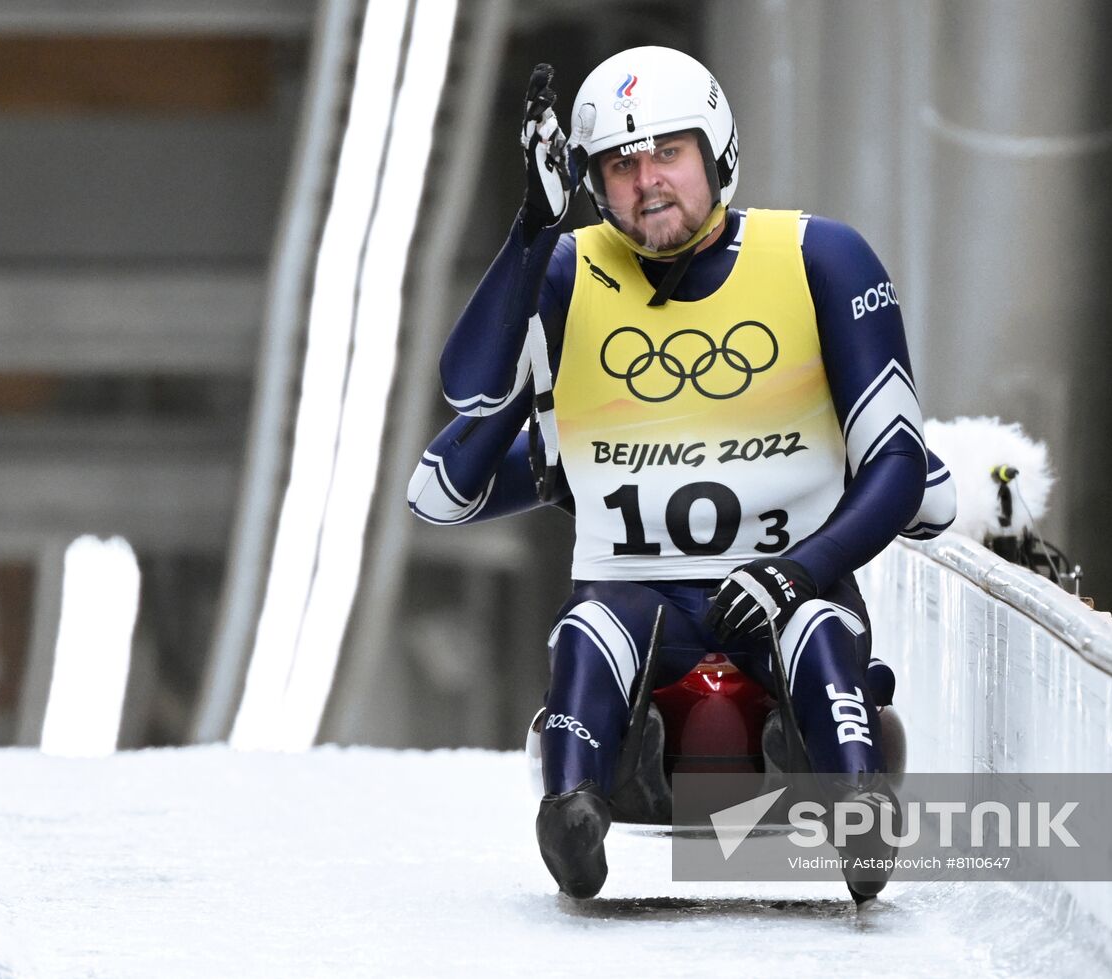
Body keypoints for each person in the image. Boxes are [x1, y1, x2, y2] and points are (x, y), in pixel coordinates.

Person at [408, 47, 955, 901]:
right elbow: (467, 397)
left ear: (716, 151)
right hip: (638, 609)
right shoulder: (563, 268)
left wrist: (799, 567)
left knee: (815, 624)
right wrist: (531, 232)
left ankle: (857, 806)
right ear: (593, 180)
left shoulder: (824, 258)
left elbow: (902, 466)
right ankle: (573, 812)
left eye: (669, 152)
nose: (646, 181)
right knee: (592, 630)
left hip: (787, 594)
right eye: (620, 164)